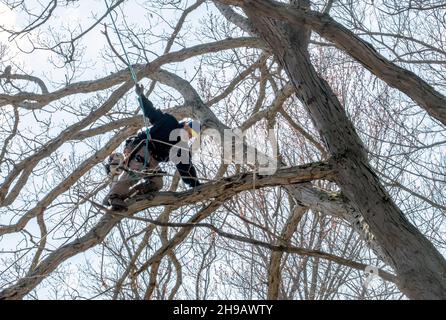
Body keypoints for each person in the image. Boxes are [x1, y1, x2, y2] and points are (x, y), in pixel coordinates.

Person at [103, 84, 201, 211]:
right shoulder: (169, 122)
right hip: (143, 148)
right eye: (188, 130)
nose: (187, 135)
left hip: (153, 161)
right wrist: (141, 96)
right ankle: (112, 196)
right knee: (136, 170)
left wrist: (196, 185)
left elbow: (186, 168)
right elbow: (151, 112)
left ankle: (131, 196)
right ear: (185, 125)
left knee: (158, 182)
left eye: (190, 135)